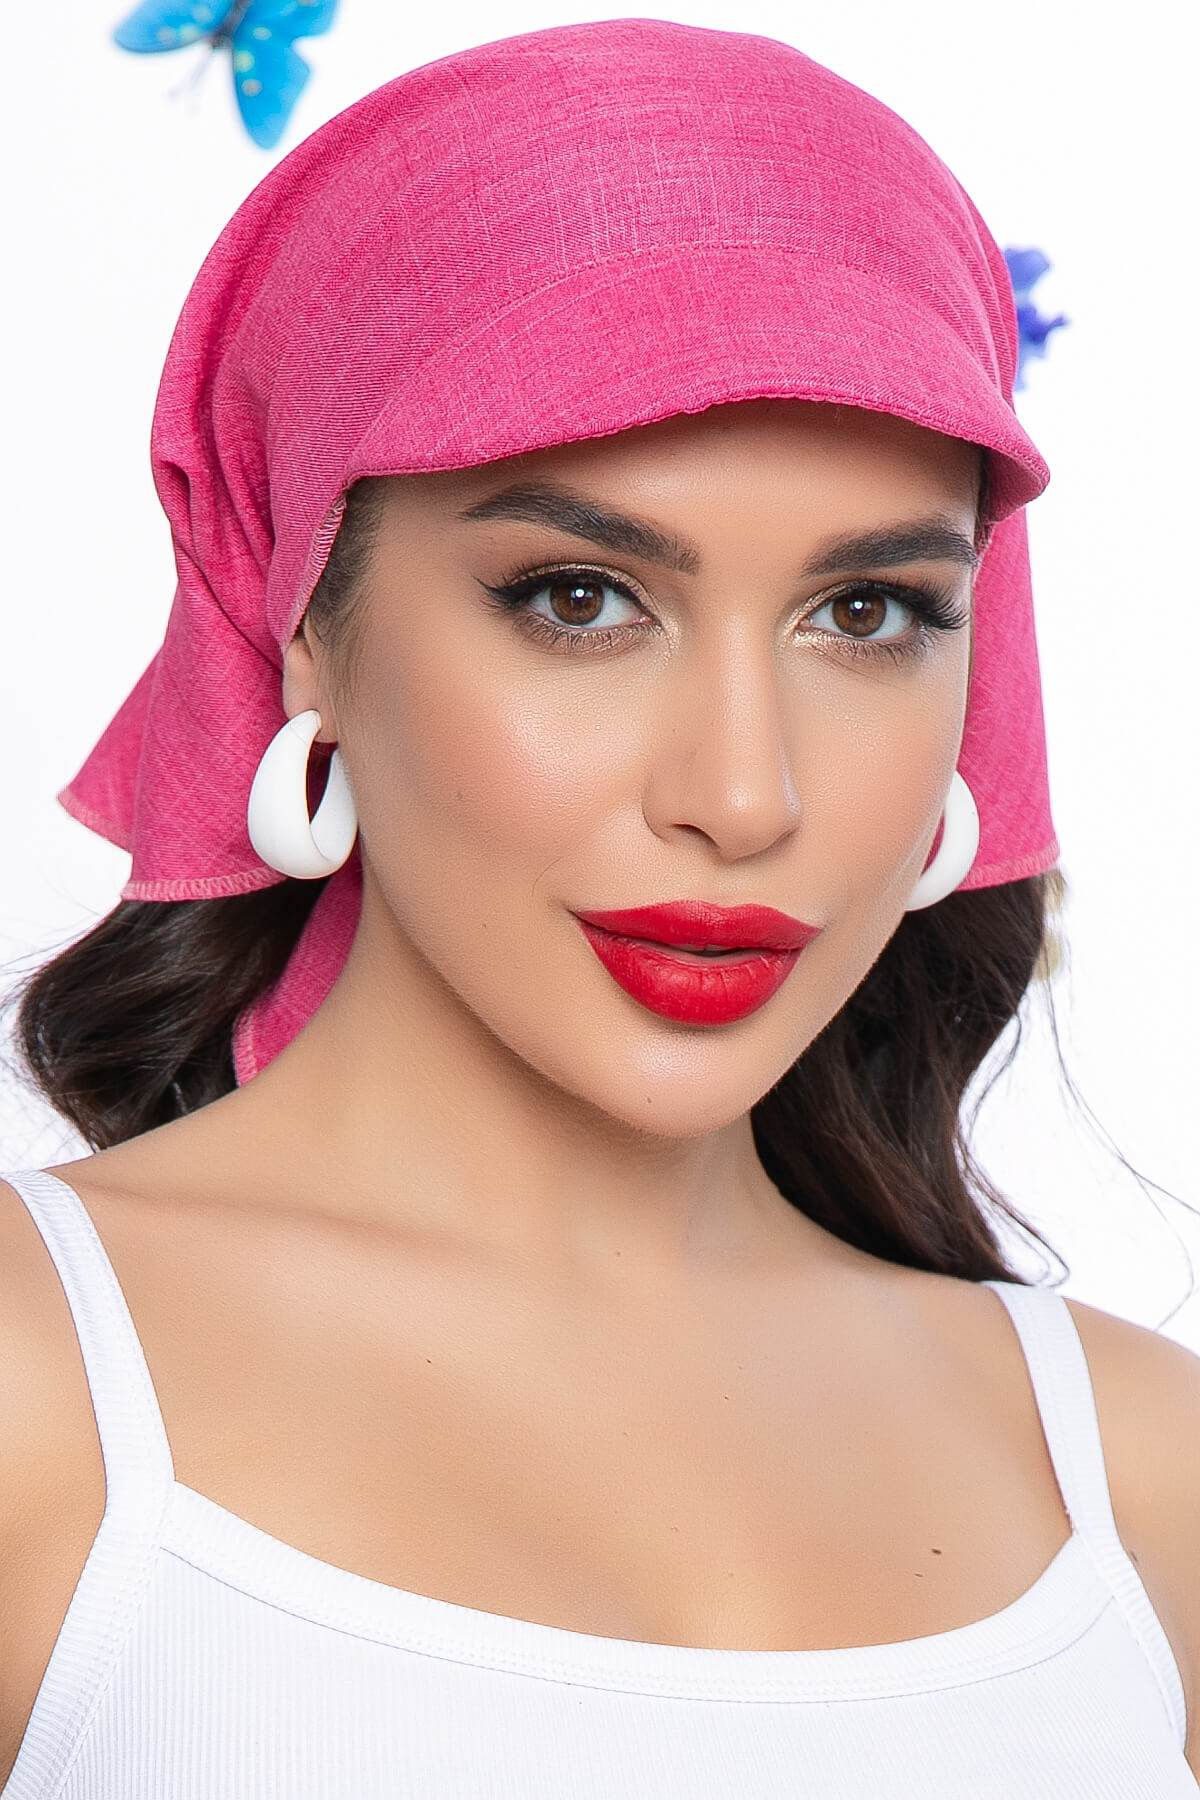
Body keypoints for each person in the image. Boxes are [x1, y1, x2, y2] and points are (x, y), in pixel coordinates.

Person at [1, 18, 1197, 1797]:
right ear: (301, 618)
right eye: (579, 598)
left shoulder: (1149, 1484)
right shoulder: (35, 1395)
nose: (744, 795)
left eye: (867, 613)